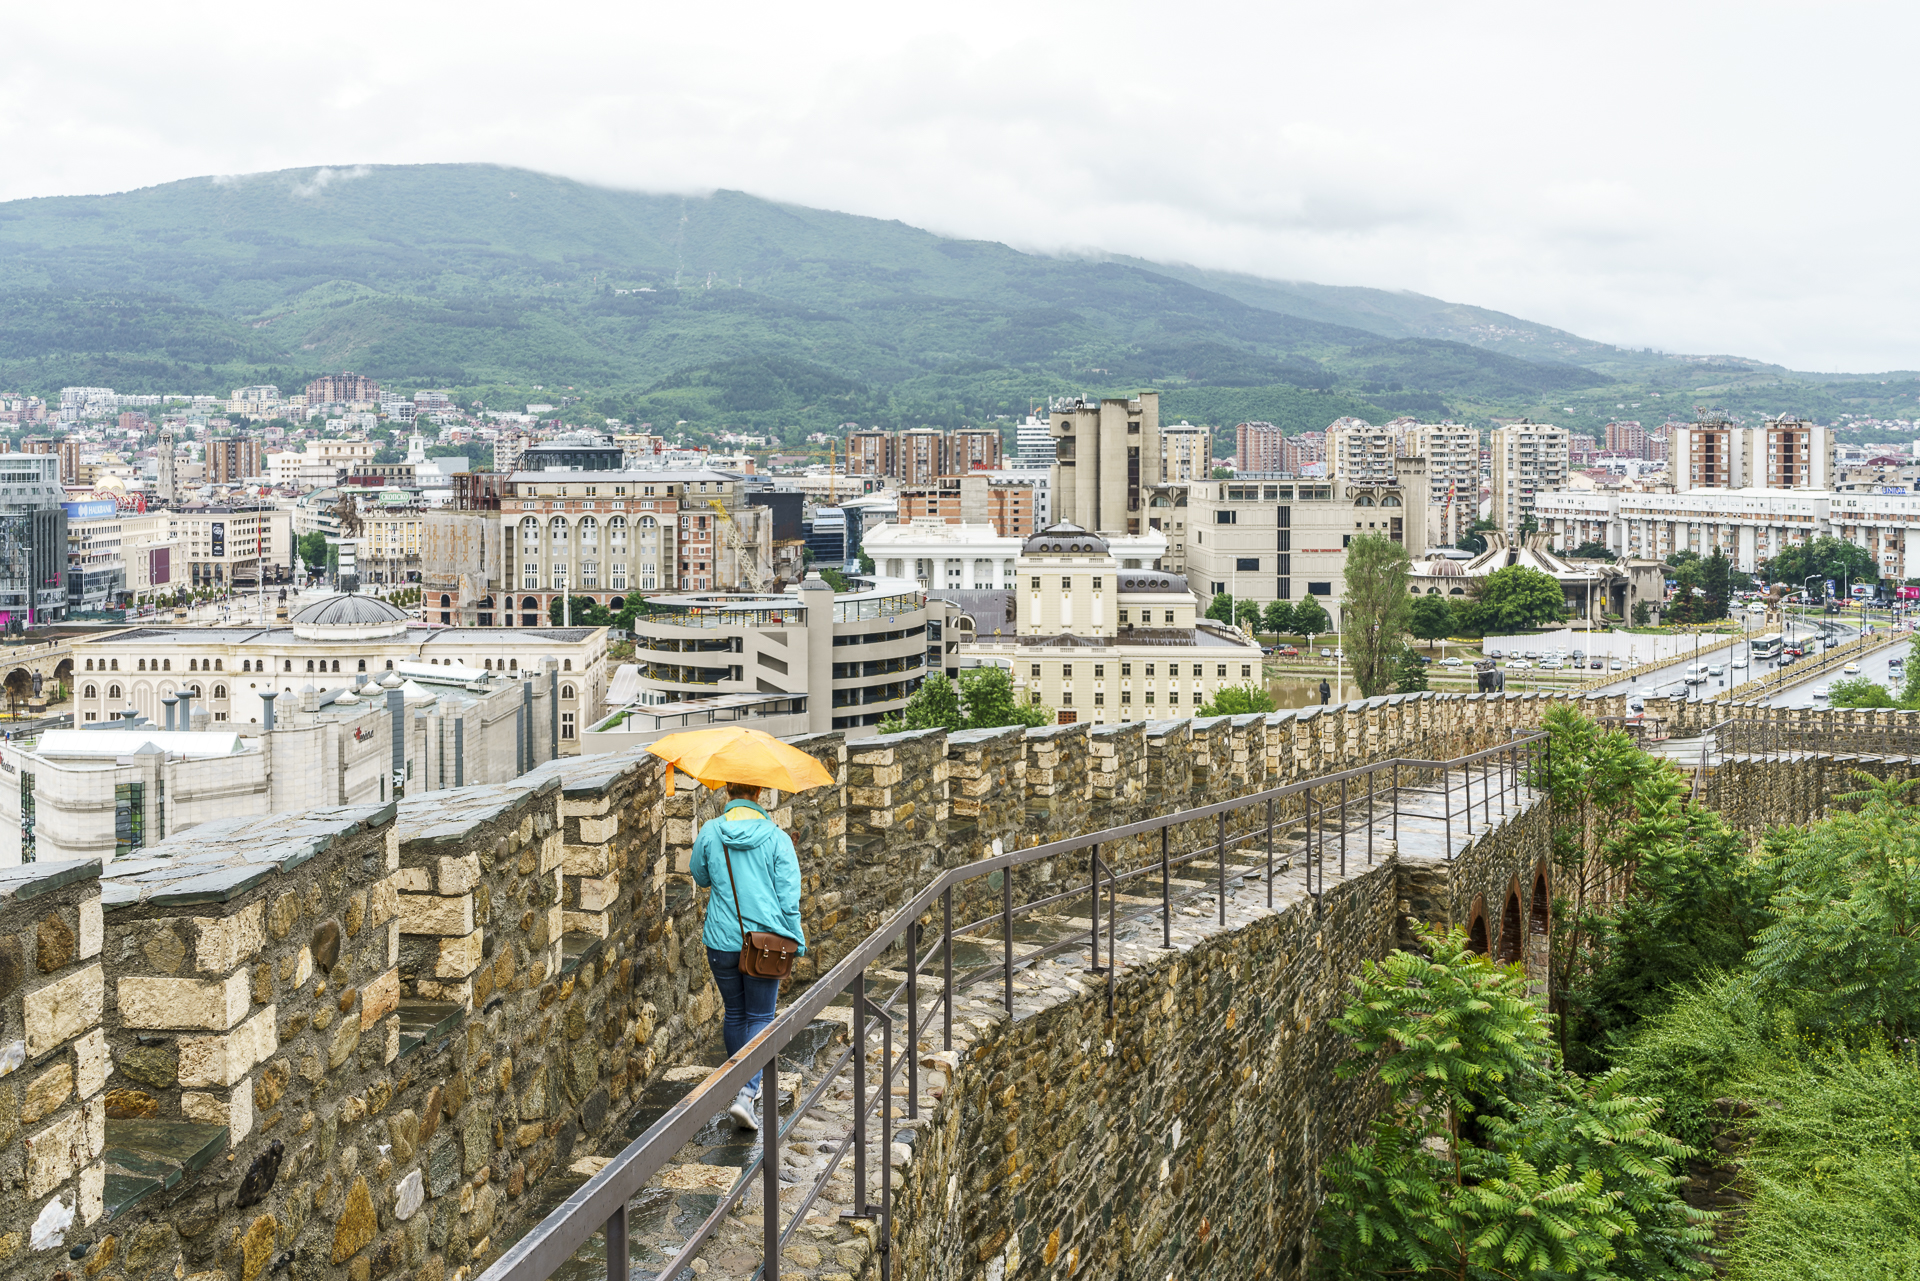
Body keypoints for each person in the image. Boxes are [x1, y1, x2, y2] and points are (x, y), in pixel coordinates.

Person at [689, 781, 807, 1130]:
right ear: (759, 793)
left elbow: (700, 876)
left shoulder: (711, 831)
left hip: (721, 942)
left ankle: (742, 1085)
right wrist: (795, 940)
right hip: (765, 945)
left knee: (736, 1013)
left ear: (727, 790)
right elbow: (788, 899)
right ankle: (746, 1094)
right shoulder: (777, 839)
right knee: (761, 1015)